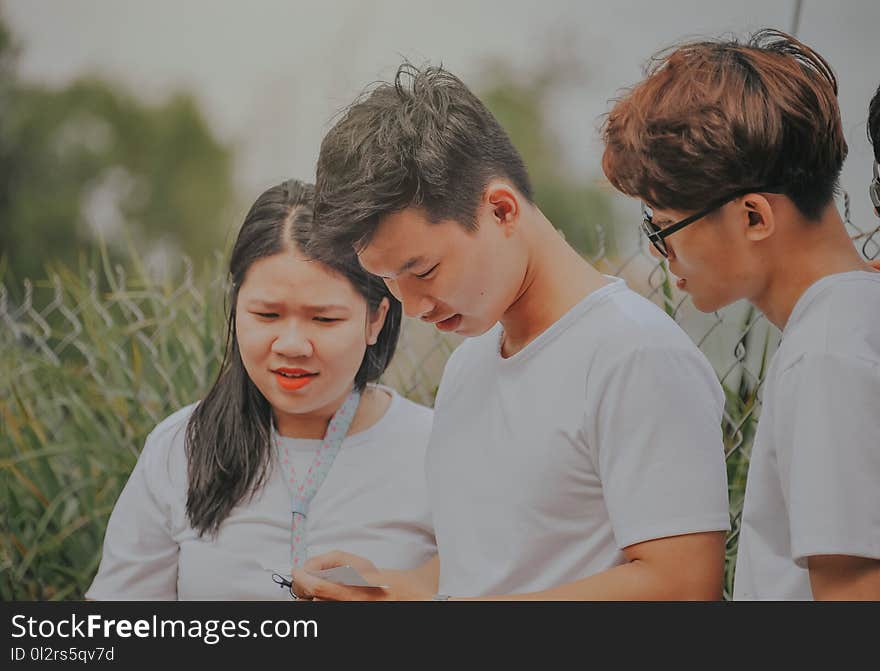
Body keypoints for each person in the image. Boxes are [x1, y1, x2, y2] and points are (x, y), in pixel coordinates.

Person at [291, 63, 730, 601]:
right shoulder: (469, 365)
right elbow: (481, 566)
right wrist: (390, 588)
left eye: (423, 270)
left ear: (501, 209)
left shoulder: (636, 355)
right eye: (389, 280)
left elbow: (683, 584)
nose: (412, 303)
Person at [601, 30, 880, 600]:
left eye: (663, 226)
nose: (661, 252)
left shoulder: (826, 355)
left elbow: (855, 594)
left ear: (754, 217)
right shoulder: (849, 324)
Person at [86, 180, 436, 600]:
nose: (291, 345)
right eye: (267, 314)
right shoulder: (180, 447)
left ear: (376, 319)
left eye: (323, 320)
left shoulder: (436, 448)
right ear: (236, 307)